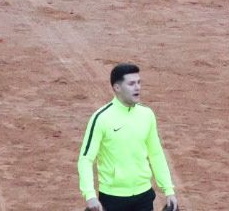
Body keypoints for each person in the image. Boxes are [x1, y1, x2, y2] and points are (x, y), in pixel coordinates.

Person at [76, 63, 179, 211]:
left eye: (138, 82)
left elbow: (156, 154)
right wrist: (89, 195)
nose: (137, 87)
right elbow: (86, 159)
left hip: (144, 195)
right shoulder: (101, 118)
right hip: (113, 198)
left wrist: (169, 191)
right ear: (117, 88)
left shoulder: (147, 115)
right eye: (131, 84)